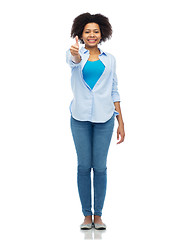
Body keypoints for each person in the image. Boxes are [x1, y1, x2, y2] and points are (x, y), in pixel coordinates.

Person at [66, 12, 125, 230]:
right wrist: (75, 55)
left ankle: (98, 215)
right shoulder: (73, 54)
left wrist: (121, 121)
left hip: (105, 119)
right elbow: (74, 62)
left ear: (102, 34)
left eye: (96, 31)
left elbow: (114, 90)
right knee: (83, 166)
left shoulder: (110, 60)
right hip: (79, 118)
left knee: (99, 167)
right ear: (80, 34)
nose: (92, 35)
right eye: (87, 31)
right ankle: (86, 216)